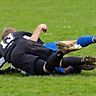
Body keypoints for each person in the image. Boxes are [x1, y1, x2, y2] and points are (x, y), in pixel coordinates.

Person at [0, 24, 96, 75]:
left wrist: (8, 70)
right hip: (44, 46)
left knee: (48, 68)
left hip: (24, 56)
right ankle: (92, 38)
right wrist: (40, 27)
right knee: (73, 43)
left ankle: (76, 64)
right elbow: (32, 42)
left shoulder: (3, 47)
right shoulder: (18, 35)